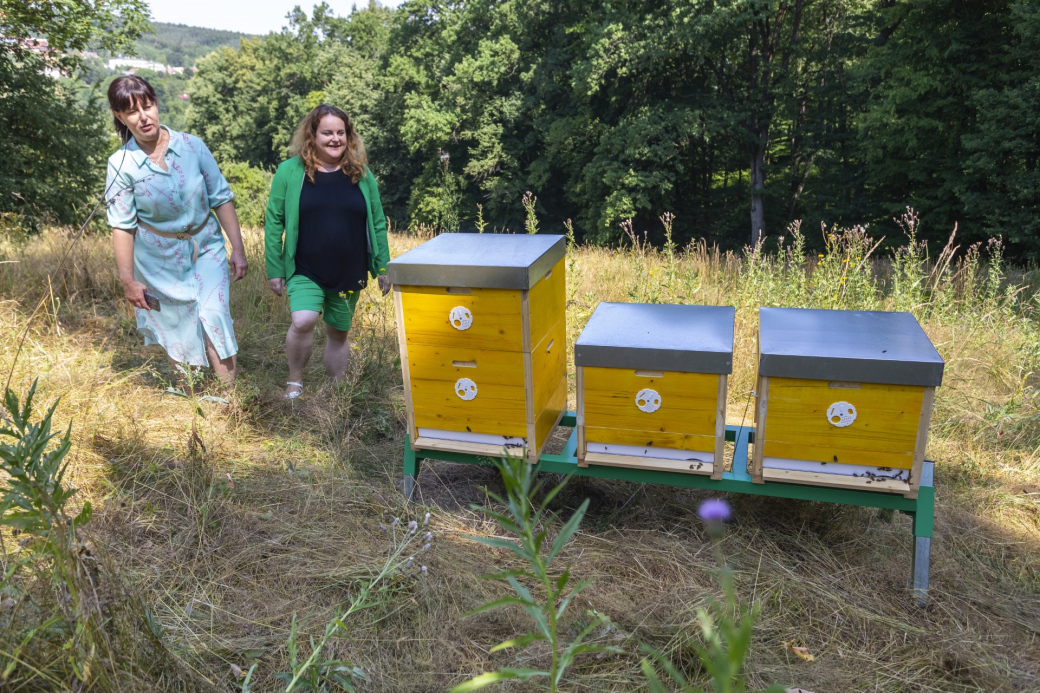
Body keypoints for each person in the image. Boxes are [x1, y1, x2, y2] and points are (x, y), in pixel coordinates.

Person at [105, 75, 247, 385]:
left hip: (205, 246)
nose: (144, 117)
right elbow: (122, 226)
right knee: (176, 323)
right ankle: (190, 397)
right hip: (157, 261)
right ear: (120, 116)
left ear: (156, 104)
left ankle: (229, 401)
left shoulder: (193, 146)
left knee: (214, 314)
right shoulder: (120, 165)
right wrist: (128, 280)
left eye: (148, 106)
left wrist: (237, 248)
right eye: (132, 112)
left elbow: (221, 198)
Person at [264, 104, 391, 399]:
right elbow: (274, 222)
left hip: (349, 268)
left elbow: (377, 221)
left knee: (338, 332)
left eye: (341, 133)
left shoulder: (361, 174)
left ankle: (337, 391)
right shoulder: (289, 171)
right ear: (312, 135)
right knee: (303, 320)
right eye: (327, 133)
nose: (335, 139)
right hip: (304, 266)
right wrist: (275, 270)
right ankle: (295, 380)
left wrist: (383, 267)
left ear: (348, 136)